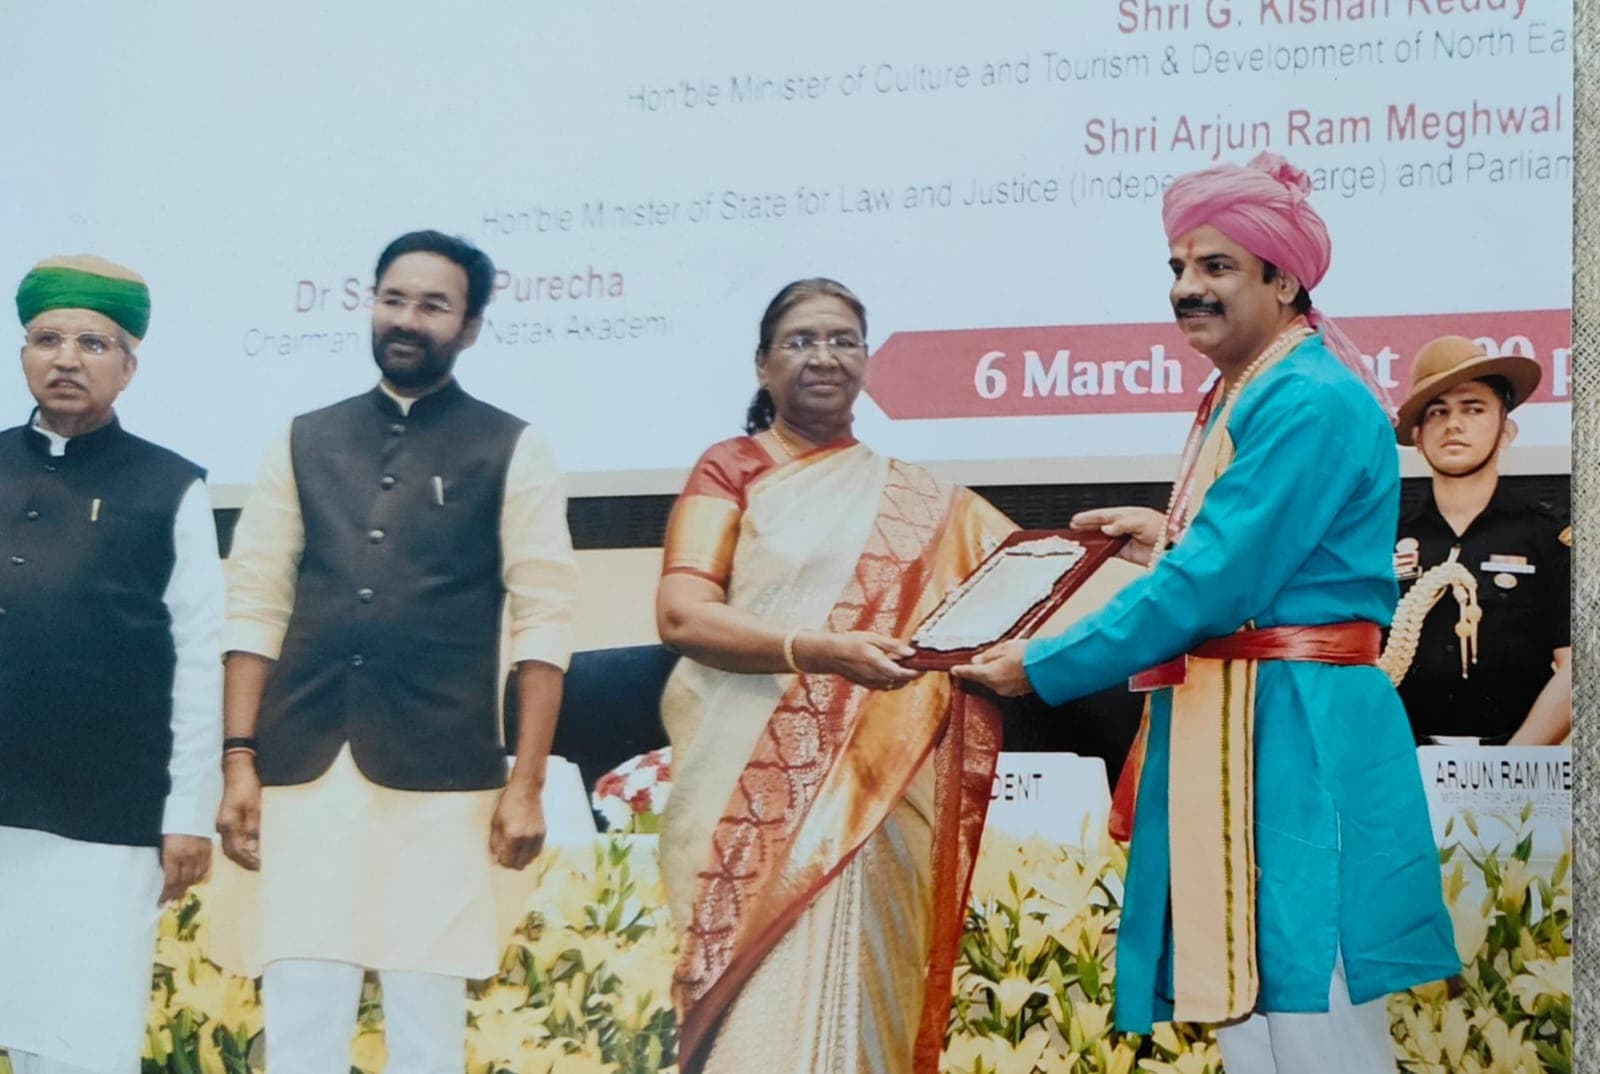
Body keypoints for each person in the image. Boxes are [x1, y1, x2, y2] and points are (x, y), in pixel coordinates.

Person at [953, 154, 1458, 1074]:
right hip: (1245, 725)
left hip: (1295, 733)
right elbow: (1247, 561)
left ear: (1284, 277)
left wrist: (1043, 662)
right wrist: (1171, 536)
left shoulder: (1306, 398)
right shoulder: (1253, 385)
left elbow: (1215, 588)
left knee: (1315, 1013)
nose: (1189, 288)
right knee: (1252, 1017)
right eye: (1180, 268)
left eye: (1216, 267)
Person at [215, 231, 577, 1073]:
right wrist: (239, 759)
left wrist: (525, 782)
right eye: (394, 299)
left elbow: (545, 618)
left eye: (433, 305)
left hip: (443, 774)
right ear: (372, 305)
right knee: (300, 1010)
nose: (407, 319)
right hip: (303, 763)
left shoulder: (512, 445)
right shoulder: (304, 438)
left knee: (426, 1020)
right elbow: (256, 602)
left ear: (471, 327)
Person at [656, 278, 1014, 1074]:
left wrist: (1162, 555)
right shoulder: (731, 469)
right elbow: (681, 615)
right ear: (761, 364)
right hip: (741, 797)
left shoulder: (927, 500)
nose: (825, 356)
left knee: (861, 1013)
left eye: (843, 340)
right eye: (801, 341)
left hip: (869, 797)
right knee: (751, 1029)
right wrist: (819, 649)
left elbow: (1025, 584)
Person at [0, 256, 223, 1074]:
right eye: (45, 338)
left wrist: (189, 812)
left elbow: (200, 661)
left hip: (104, 817)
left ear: (128, 366)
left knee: (83, 1044)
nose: (65, 358)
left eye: (93, 342)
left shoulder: (170, 488)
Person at [1391, 335, 1570, 745]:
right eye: (1438, 412)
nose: (1454, 424)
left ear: (1506, 431)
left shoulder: (1548, 538)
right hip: (1404, 767)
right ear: (1418, 437)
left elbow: (1578, 668)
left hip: (1519, 766)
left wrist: (1514, 760)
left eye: (1473, 409)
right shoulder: (1385, 538)